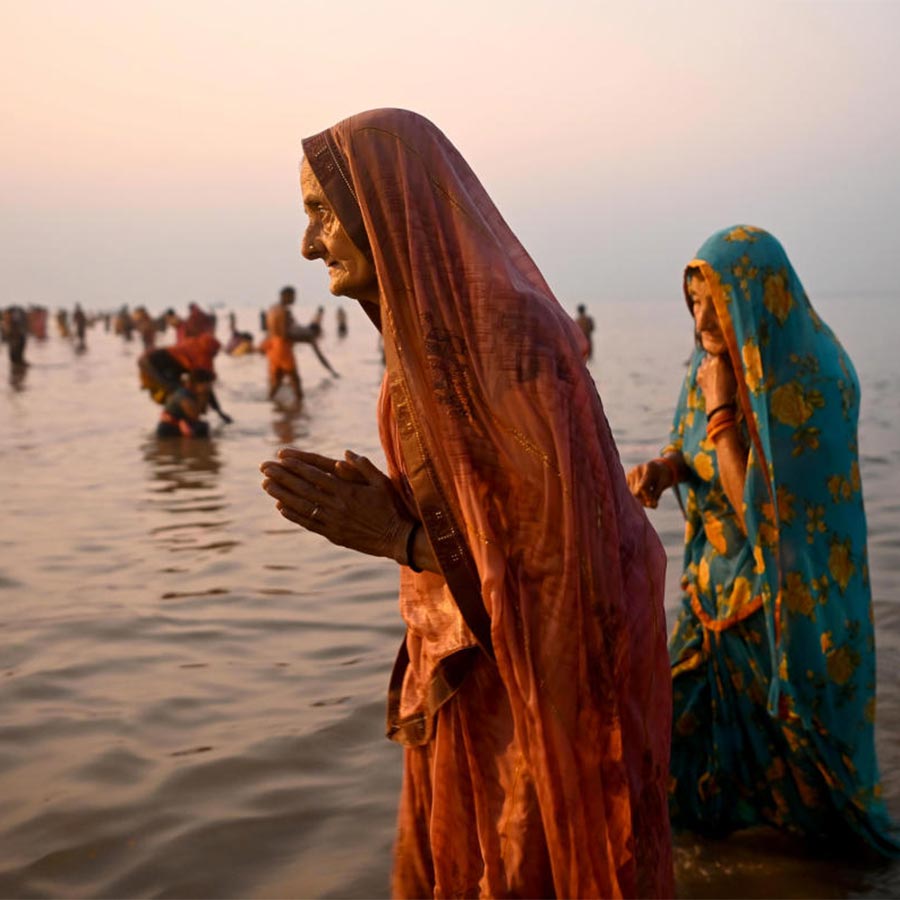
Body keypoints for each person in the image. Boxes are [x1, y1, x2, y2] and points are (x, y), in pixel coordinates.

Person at [260, 109, 673, 898]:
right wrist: (409, 522)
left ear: (387, 206)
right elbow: (492, 523)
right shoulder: (419, 351)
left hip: (546, 698)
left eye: (321, 213)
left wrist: (401, 541)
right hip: (474, 677)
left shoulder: (509, 342)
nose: (310, 245)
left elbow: (566, 579)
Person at [626, 225, 899, 854]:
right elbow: (685, 442)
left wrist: (723, 416)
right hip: (708, 600)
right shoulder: (709, 367)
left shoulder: (813, 382)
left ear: (754, 295)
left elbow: (772, 527)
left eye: (713, 300)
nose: (699, 321)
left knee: (815, 795)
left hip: (781, 612)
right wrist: (664, 471)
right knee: (675, 754)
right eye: (692, 302)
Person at [263, 286, 304, 401]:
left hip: (272, 348)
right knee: (295, 379)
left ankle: (269, 403)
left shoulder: (272, 309)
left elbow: (270, 331)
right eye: (293, 296)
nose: (295, 299)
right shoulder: (284, 311)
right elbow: (284, 334)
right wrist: (304, 338)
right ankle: (300, 407)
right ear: (286, 296)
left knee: (277, 380)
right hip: (283, 348)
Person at [156, 368, 214, 438]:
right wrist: (202, 395)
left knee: (203, 426)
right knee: (202, 428)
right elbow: (194, 415)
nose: (209, 387)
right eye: (207, 384)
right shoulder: (182, 394)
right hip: (169, 427)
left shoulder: (197, 394)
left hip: (183, 424)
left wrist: (204, 395)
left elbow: (203, 411)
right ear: (196, 384)